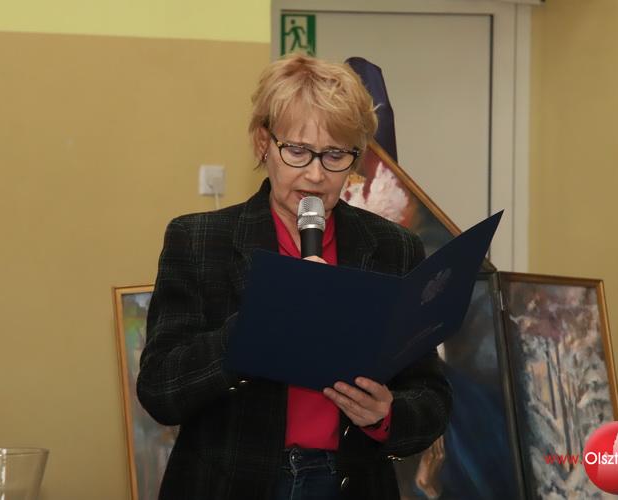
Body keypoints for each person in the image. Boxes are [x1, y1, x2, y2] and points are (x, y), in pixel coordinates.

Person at [137, 54, 452, 500]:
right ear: (262, 143)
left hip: (351, 483)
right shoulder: (200, 240)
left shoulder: (393, 248)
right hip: (230, 483)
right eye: (298, 151)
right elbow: (160, 389)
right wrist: (261, 321)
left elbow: (431, 397)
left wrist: (387, 414)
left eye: (335, 155)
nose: (316, 175)